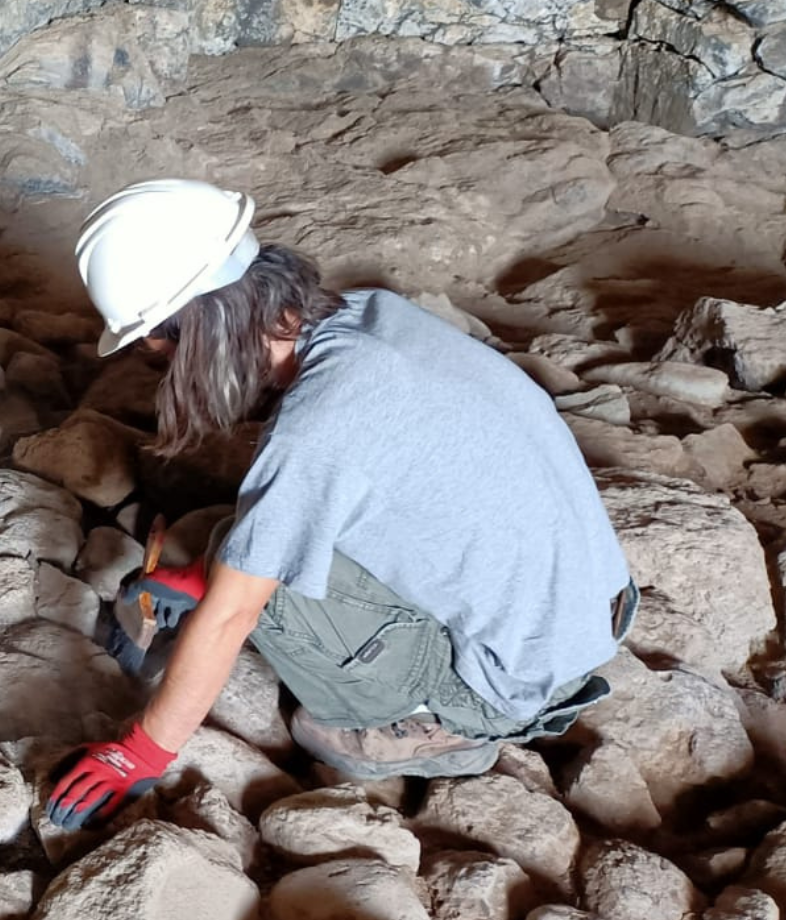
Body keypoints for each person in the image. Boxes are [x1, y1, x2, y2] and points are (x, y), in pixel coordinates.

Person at [45, 179, 635, 830]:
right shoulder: (368, 315)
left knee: (273, 621)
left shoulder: (317, 428)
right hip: (591, 602)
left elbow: (232, 615)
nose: (159, 371)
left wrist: (140, 752)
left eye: (158, 353)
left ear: (201, 333)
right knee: (235, 535)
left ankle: (448, 731)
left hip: (516, 680)